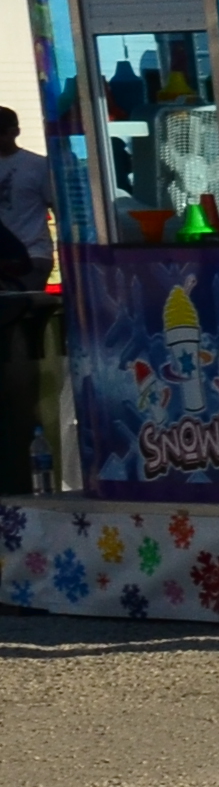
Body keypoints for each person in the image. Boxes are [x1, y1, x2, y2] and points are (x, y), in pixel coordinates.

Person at [0, 105, 51, 495]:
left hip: (30, 257)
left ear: (15, 131)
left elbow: (61, 209)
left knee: (19, 315)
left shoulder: (36, 166)